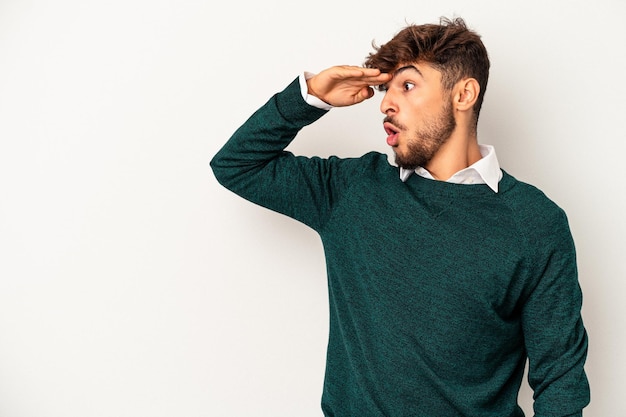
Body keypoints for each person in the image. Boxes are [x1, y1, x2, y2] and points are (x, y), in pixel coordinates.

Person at [210, 17, 590, 417]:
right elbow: (237, 165)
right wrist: (310, 98)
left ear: (464, 94)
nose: (386, 104)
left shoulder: (535, 223)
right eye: (384, 89)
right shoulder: (352, 189)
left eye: (407, 85)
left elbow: (560, 378)